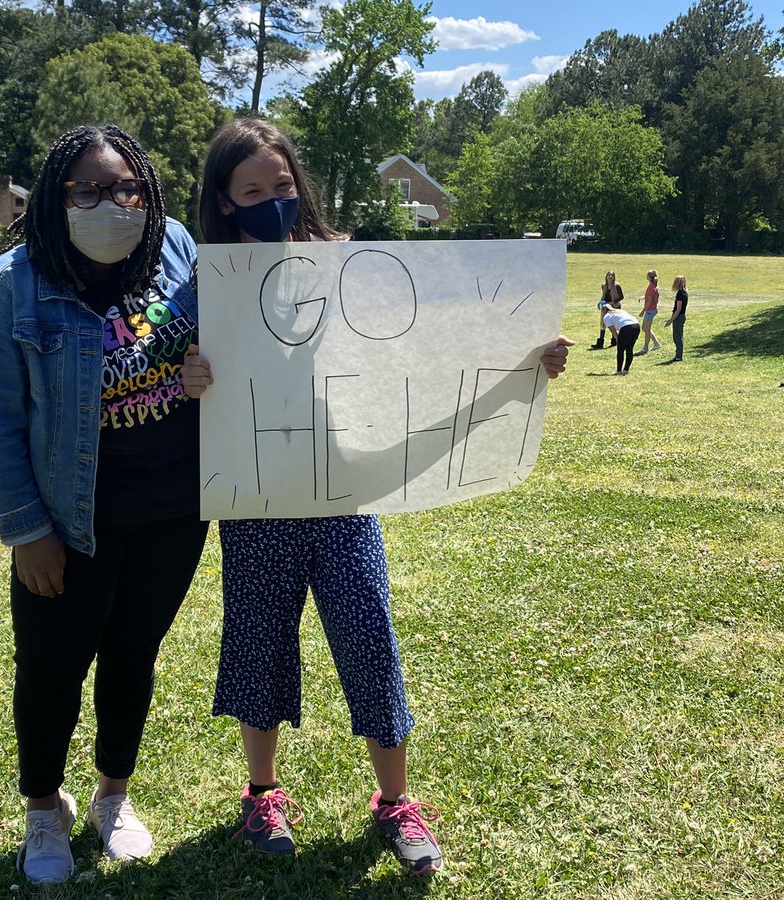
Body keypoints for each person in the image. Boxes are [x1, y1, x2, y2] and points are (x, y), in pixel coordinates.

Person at [180, 117, 574, 876]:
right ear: (225, 203)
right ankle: (262, 795)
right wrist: (189, 378)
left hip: (343, 494)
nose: (272, 201)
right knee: (259, 641)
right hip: (258, 499)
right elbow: (182, 370)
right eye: (252, 191)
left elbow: (428, 342)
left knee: (369, 639)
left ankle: (395, 801)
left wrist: (528, 357)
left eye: (283, 185)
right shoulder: (209, 282)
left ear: (300, 185)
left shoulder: (345, 263)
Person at [0, 125, 206, 885]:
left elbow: (227, 339)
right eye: (89, 190)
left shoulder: (177, 251)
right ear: (57, 197)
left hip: (173, 510)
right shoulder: (7, 289)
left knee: (134, 657)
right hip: (69, 519)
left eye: (127, 187)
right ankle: (42, 809)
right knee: (50, 668)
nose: (112, 203)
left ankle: (112, 797)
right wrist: (28, 530)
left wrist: (207, 370)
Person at [600, 298, 641, 374]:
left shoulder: (607, 316)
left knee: (620, 350)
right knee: (629, 349)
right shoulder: (620, 311)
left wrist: (618, 339)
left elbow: (614, 332)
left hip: (626, 327)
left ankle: (618, 371)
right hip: (636, 325)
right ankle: (626, 370)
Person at [590, 271, 624, 350]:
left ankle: (615, 341)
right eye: (609, 275)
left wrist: (612, 302)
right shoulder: (604, 286)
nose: (610, 277)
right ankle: (600, 342)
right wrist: (601, 302)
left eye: (612, 275)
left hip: (615, 306)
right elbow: (604, 296)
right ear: (606, 276)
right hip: (606, 306)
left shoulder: (617, 286)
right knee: (603, 323)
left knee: (614, 323)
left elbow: (621, 297)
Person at [635, 270, 663, 355]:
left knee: (646, 330)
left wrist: (643, 311)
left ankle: (645, 348)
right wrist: (644, 297)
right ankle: (656, 344)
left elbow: (650, 301)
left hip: (650, 310)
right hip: (652, 310)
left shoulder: (651, 287)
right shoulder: (653, 285)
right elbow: (651, 296)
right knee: (645, 328)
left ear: (648, 277)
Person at [663, 275, 688, 362]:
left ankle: (678, 356)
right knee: (678, 336)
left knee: (677, 337)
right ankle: (678, 355)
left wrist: (671, 320)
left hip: (678, 317)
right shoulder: (685, 292)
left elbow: (678, 309)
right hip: (682, 316)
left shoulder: (680, 294)